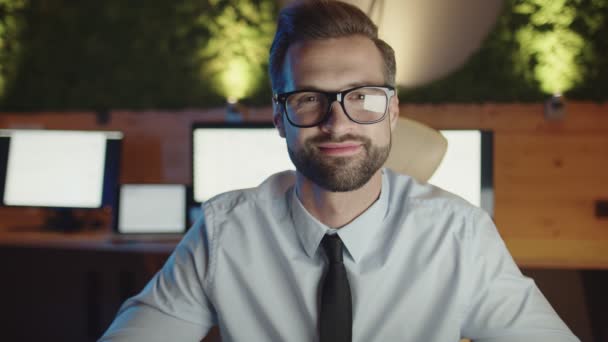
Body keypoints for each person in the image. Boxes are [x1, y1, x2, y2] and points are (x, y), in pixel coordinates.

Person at [100, 1, 579, 341]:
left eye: (363, 98)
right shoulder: (225, 229)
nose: (337, 123)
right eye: (309, 99)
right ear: (278, 116)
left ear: (392, 111)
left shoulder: (459, 234)